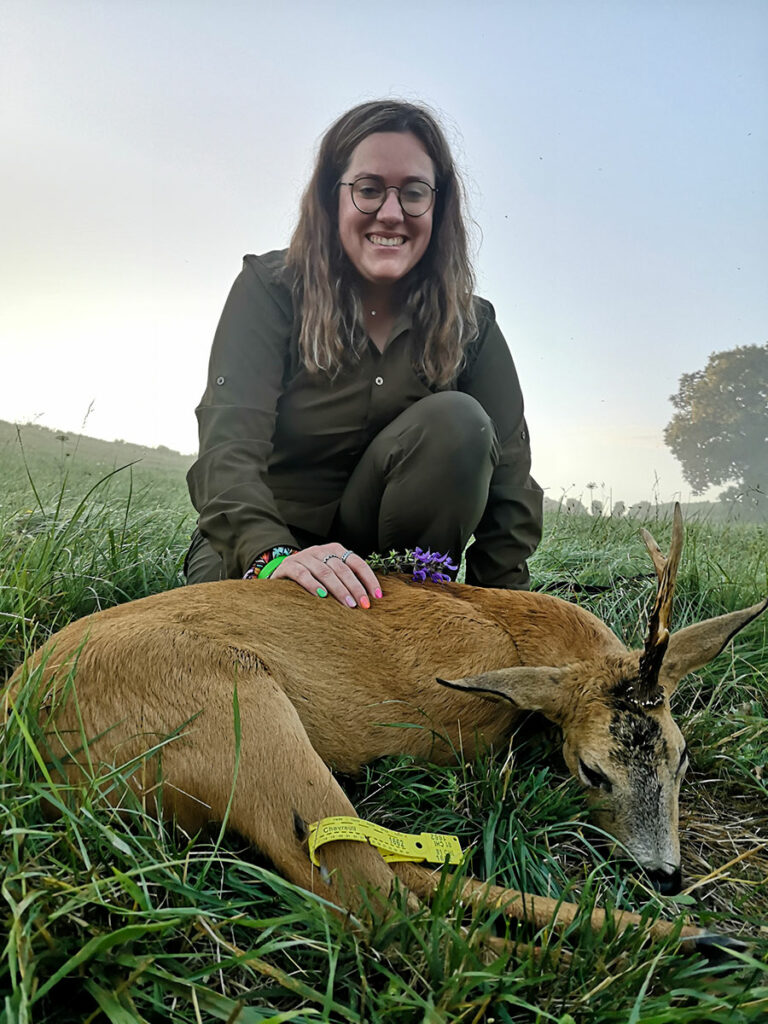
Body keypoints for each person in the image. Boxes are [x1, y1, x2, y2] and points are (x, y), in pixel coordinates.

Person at [185, 100, 543, 608]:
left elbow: (512, 490)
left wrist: (504, 615)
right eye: (369, 189)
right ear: (333, 197)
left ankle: (411, 614)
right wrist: (270, 554)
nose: (392, 213)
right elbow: (228, 453)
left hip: (387, 571)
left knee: (459, 422)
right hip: (263, 551)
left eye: (414, 193)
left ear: (437, 207)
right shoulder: (268, 291)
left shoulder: (473, 325)